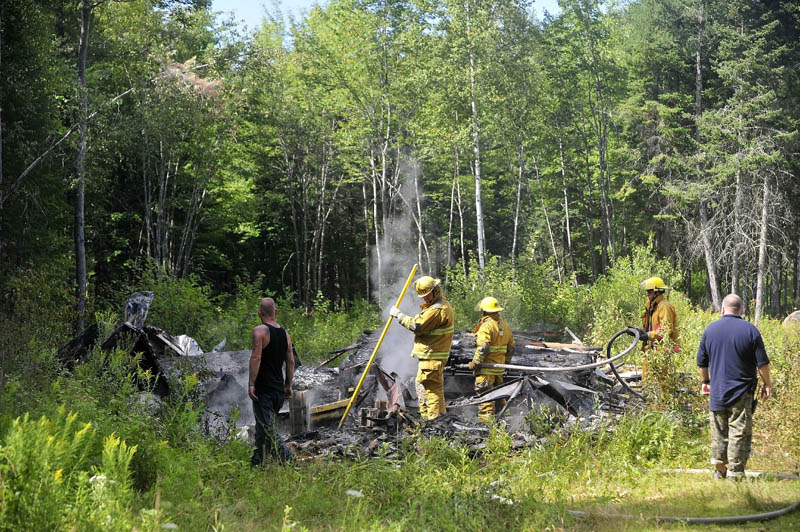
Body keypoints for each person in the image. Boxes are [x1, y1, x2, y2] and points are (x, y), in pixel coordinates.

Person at [697, 293, 771, 480]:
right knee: (739, 430)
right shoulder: (750, 330)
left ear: (722, 309)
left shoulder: (710, 330)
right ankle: (735, 473)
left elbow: (701, 363)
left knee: (718, 430)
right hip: (742, 391)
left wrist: (706, 382)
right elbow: (762, 364)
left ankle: (720, 470)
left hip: (718, 390)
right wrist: (767, 384)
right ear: (741, 310)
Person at [390, 276, 454, 420]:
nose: (424, 299)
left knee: (430, 391)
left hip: (432, 356)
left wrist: (399, 316)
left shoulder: (437, 309)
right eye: (422, 296)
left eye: (426, 295)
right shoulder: (438, 305)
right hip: (431, 356)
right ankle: (436, 420)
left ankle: (433, 423)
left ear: (435, 290)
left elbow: (417, 326)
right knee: (428, 389)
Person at [248, 297, 294, 465]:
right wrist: (288, 386)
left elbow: (256, 357)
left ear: (259, 312)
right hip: (277, 393)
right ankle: (256, 463)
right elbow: (290, 361)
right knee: (261, 429)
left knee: (269, 431)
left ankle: (291, 463)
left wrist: (251, 384)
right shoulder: (285, 334)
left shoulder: (259, 332)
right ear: (275, 312)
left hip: (264, 391)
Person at [468, 296, 515, 423]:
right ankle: (505, 424)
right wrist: (506, 363)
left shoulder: (486, 326)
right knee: (500, 398)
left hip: (486, 371)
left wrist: (475, 363)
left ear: (485, 311)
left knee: (486, 400)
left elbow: (483, 347)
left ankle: (486, 427)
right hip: (499, 370)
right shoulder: (505, 326)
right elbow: (511, 348)